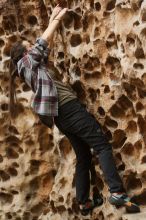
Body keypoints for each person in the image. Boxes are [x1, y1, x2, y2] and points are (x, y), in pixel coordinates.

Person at [9, 4, 140, 216]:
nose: (33, 45)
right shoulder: (24, 64)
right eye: (29, 45)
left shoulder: (33, 65)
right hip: (69, 109)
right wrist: (57, 21)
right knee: (103, 145)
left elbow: (44, 45)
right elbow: (41, 43)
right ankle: (117, 192)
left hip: (62, 116)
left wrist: (52, 18)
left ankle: (83, 202)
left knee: (84, 156)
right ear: (24, 52)